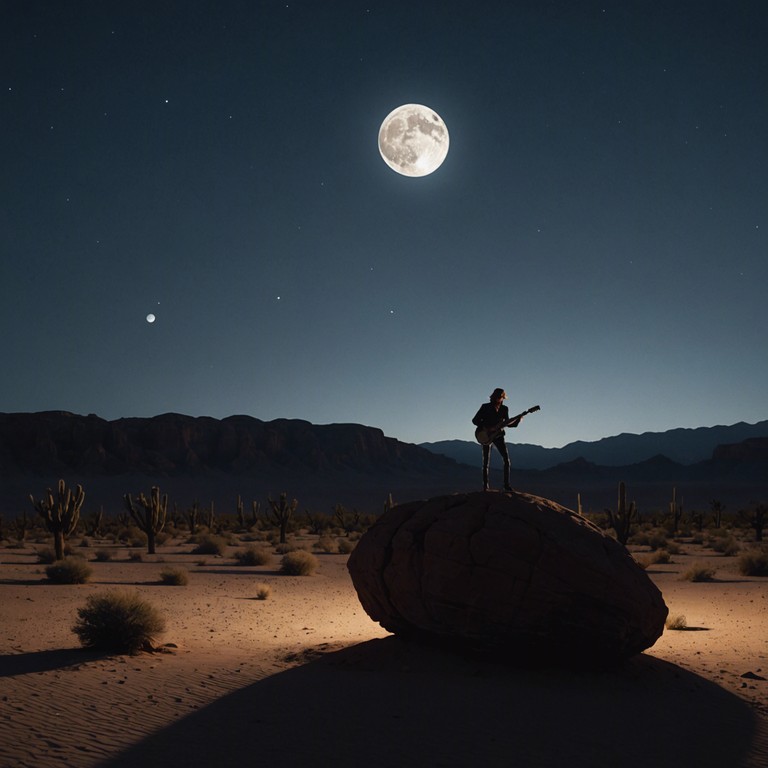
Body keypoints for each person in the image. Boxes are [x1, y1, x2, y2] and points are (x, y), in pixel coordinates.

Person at [472, 388, 521, 492]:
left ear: (503, 398)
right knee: (485, 462)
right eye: (495, 396)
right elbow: (475, 420)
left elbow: (507, 424)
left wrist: (518, 420)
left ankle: (506, 486)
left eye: (499, 397)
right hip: (485, 435)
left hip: (498, 436)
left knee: (506, 460)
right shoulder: (485, 407)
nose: (497, 399)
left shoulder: (504, 409)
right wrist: (485, 427)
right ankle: (485, 487)